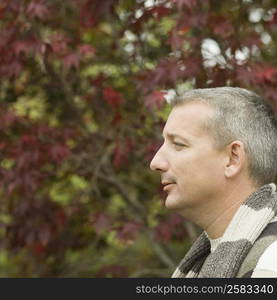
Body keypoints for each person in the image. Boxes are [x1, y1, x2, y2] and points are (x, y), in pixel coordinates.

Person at [150, 87, 277, 278]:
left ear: (233, 158)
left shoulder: (268, 263)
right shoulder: (207, 260)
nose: (156, 163)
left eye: (178, 144)